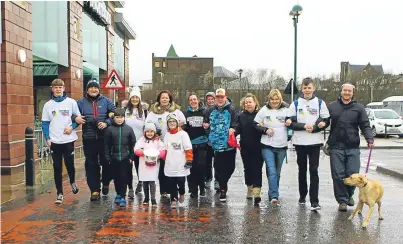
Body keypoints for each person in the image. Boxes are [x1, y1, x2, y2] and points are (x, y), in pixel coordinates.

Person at [326, 83, 374, 211]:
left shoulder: (359, 108)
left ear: (353, 93)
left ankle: (349, 195)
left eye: (349, 91)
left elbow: (365, 125)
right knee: (337, 175)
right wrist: (316, 125)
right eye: (345, 90)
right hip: (336, 146)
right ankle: (342, 200)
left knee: (352, 174)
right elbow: (324, 121)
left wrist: (369, 138)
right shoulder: (332, 106)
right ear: (341, 92)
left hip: (353, 146)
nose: (347, 93)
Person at [286, 77, 330, 211]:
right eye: (304, 88)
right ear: (301, 89)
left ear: (314, 88)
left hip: (315, 142)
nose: (307, 90)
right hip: (299, 142)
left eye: (309, 88)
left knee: (313, 170)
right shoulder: (295, 103)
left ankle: (315, 201)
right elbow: (290, 122)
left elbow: (326, 120)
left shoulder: (320, 103)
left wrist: (317, 127)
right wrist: (303, 126)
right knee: (302, 170)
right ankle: (302, 195)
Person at [74, 79, 116, 201]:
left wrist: (107, 123)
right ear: (87, 89)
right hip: (89, 138)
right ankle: (95, 190)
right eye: (91, 87)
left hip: (105, 138)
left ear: (99, 89)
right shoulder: (80, 102)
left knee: (107, 163)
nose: (93, 89)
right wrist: (75, 118)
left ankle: (106, 182)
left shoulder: (107, 101)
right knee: (91, 165)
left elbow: (116, 114)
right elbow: (73, 115)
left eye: (96, 87)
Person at [41, 79, 81, 204]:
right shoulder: (48, 105)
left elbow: (78, 119)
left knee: (69, 164)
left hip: (68, 140)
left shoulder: (71, 102)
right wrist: (47, 138)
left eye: (60, 87)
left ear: (64, 88)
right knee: (57, 167)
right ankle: (59, 193)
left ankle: (72, 181)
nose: (58, 89)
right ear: (52, 89)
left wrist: (72, 127)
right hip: (54, 141)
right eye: (55, 87)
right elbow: (45, 123)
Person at [145, 90, 185, 198]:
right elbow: (148, 124)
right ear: (159, 99)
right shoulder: (153, 111)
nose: (164, 99)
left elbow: (183, 121)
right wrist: (155, 133)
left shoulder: (176, 110)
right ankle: (164, 190)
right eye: (162, 97)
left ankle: (174, 188)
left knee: (174, 165)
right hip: (160, 144)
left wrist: (176, 131)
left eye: (166, 98)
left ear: (170, 99)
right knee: (162, 168)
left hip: (174, 144)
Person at [254, 89, 289, 204]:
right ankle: (274, 196)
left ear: (280, 99)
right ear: (269, 100)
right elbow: (255, 125)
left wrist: (290, 129)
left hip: (282, 146)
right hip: (267, 145)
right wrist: (265, 130)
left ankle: (272, 192)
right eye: (272, 99)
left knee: (276, 173)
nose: (274, 101)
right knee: (272, 171)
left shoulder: (286, 110)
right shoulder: (264, 110)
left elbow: (292, 123)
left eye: (276, 99)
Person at [203, 88, 238, 202]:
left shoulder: (231, 109)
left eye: (221, 97)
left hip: (229, 144)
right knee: (218, 167)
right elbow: (206, 124)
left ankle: (224, 181)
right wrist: (210, 135)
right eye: (217, 97)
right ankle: (223, 189)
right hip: (216, 145)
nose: (219, 99)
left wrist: (233, 129)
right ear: (215, 98)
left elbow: (236, 124)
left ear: (225, 97)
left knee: (230, 167)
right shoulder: (210, 110)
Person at [103, 109, 136, 207]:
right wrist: (107, 157)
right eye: (117, 117)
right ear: (114, 118)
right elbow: (106, 145)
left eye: (121, 117)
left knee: (124, 177)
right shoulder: (109, 129)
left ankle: (122, 196)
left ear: (124, 118)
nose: (119, 119)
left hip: (125, 157)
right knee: (116, 177)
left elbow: (133, 143)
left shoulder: (129, 129)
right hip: (114, 158)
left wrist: (131, 157)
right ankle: (118, 193)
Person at [235, 93, 264, 205]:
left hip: (259, 146)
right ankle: (250, 188)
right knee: (247, 168)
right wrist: (234, 132)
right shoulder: (241, 116)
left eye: (250, 102)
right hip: (245, 147)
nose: (248, 104)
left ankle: (257, 192)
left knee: (257, 168)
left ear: (255, 103)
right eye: (246, 102)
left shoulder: (260, 115)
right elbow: (238, 128)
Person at [164, 114, 193, 208]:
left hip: (181, 163)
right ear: (167, 124)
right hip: (170, 163)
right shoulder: (167, 134)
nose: (172, 123)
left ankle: (182, 193)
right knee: (171, 182)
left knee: (180, 181)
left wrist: (189, 160)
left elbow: (188, 148)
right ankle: (173, 198)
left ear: (177, 123)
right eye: (170, 122)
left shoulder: (183, 134)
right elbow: (164, 149)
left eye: (173, 122)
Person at [124, 87, 148, 198]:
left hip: (139, 143)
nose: (134, 99)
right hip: (126, 142)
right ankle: (130, 188)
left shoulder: (144, 111)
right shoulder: (125, 110)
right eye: (132, 97)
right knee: (128, 166)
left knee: (140, 165)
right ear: (130, 99)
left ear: (139, 99)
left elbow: (147, 126)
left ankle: (140, 182)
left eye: (136, 97)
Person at [134, 122, 166, 206]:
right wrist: (141, 152)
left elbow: (163, 148)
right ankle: (146, 198)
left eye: (151, 131)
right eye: (147, 131)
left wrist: (159, 154)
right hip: (144, 163)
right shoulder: (142, 139)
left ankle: (153, 198)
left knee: (152, 181)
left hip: (154, 164)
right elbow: (136, 148)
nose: (149, 133)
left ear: (154, 132)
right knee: (145, 181)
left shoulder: (157, 140)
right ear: (144, 132)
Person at [183, 95, 209, 198]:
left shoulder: (204, 112)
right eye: (191, 100)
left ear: (198, 101)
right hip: (190, 145)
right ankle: (193, 189)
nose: (193, 101)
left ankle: (202, 188)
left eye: (194, 99)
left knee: (201, 166)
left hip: (202, 144)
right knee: (190, 168)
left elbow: (209, 125)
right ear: (189, 102)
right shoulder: (185, 114)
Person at [204, 92, 218, 190]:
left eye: (212, 99)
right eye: (208, 99)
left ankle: (218, 180)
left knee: (218, 162)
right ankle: (208, 179)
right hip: (207, 140)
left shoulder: (220, 109)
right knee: (207, 162)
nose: (210, 101)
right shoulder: (204, 111)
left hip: (218, 140)